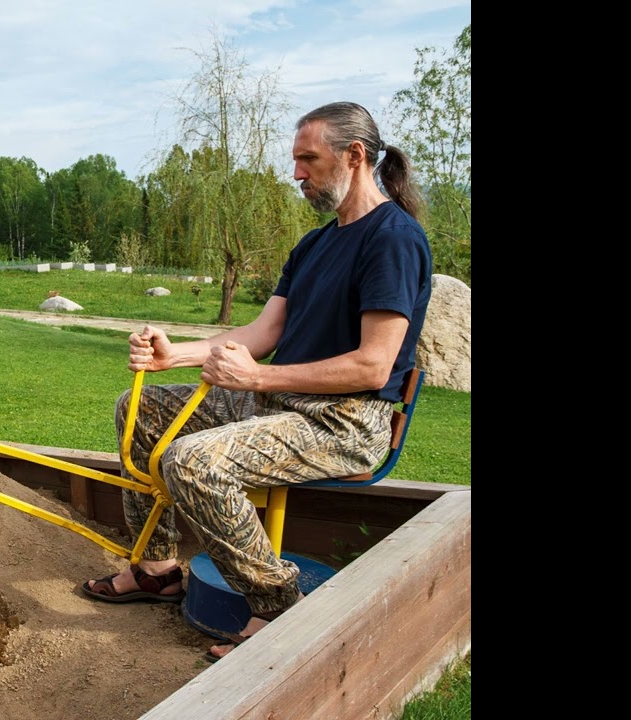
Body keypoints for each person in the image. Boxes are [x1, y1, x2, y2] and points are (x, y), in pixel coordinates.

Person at [80, 102, 432, 661]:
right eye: (296, 160)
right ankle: (158, 568)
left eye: (307, 160)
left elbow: (374, 365)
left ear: (355, 156)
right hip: (275, 404)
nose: (296, 175)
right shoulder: (315, 245)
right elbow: (260, 332)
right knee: (139, 409)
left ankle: (277, 607)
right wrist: (174, 355)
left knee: (193, 462)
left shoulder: (392, 240)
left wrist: (258, 376)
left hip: (341, 422)